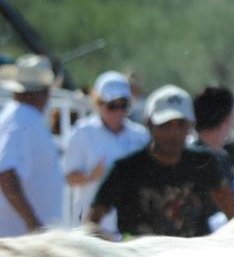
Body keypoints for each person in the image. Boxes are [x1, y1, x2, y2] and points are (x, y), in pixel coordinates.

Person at [86, 85, 234, 238]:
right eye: (165, 125)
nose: (174, 133)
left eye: (181, 124)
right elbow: (92, 222)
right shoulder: (126, 169)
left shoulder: (204, 162)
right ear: (148, 124)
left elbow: (232, 212)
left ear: (191, 125)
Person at [62, 70, 149, 231]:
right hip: (94, 230)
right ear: (99, 103)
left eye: (123, 105)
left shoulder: (141, 136)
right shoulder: (82, 133)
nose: (118, 112)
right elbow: (68, 177)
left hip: (131, 229)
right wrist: (91, 176)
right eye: (112, 106)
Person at [0, 54, 64, 237]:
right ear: (43, 92)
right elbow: (5, 174)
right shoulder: (21, 119)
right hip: (20, 241)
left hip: (20, 240)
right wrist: (33, 224)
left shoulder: (19, 117)